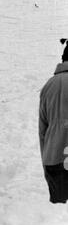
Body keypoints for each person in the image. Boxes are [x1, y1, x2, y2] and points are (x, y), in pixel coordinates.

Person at [39, 39, 68, 203]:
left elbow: (42, 131)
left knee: (58, 214)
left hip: (53, 160)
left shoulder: (48, 86)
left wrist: (46, 164)